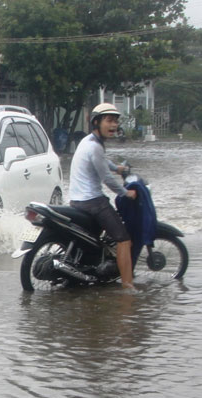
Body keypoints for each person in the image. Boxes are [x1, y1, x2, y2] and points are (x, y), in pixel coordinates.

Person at [68, 103, 137, 289]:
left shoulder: (88, 141)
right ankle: (128, 285)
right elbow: (106, 178)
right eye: (109, 121)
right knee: (123, 239)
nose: (113, 125)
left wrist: (117, 168)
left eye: (115, 121)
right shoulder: (95, 147)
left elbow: (102, 162)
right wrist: (126, 193)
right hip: (93, 202)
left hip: (76, 201)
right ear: (96, 122)